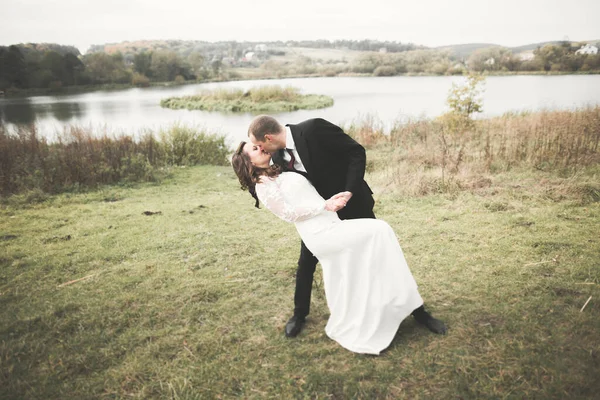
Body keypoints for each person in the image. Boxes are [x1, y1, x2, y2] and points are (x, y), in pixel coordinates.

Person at [232, 140, 445, 354]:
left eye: (259, 144)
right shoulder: (263, 183)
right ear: (247, 162)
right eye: (254, 148)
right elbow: (287, 213)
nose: (260, 147)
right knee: (379, 232)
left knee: (369, 253)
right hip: (318, 231)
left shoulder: (279, 162)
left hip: (332, 220)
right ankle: (300, 314)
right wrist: (323, 205)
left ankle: (406, 306)